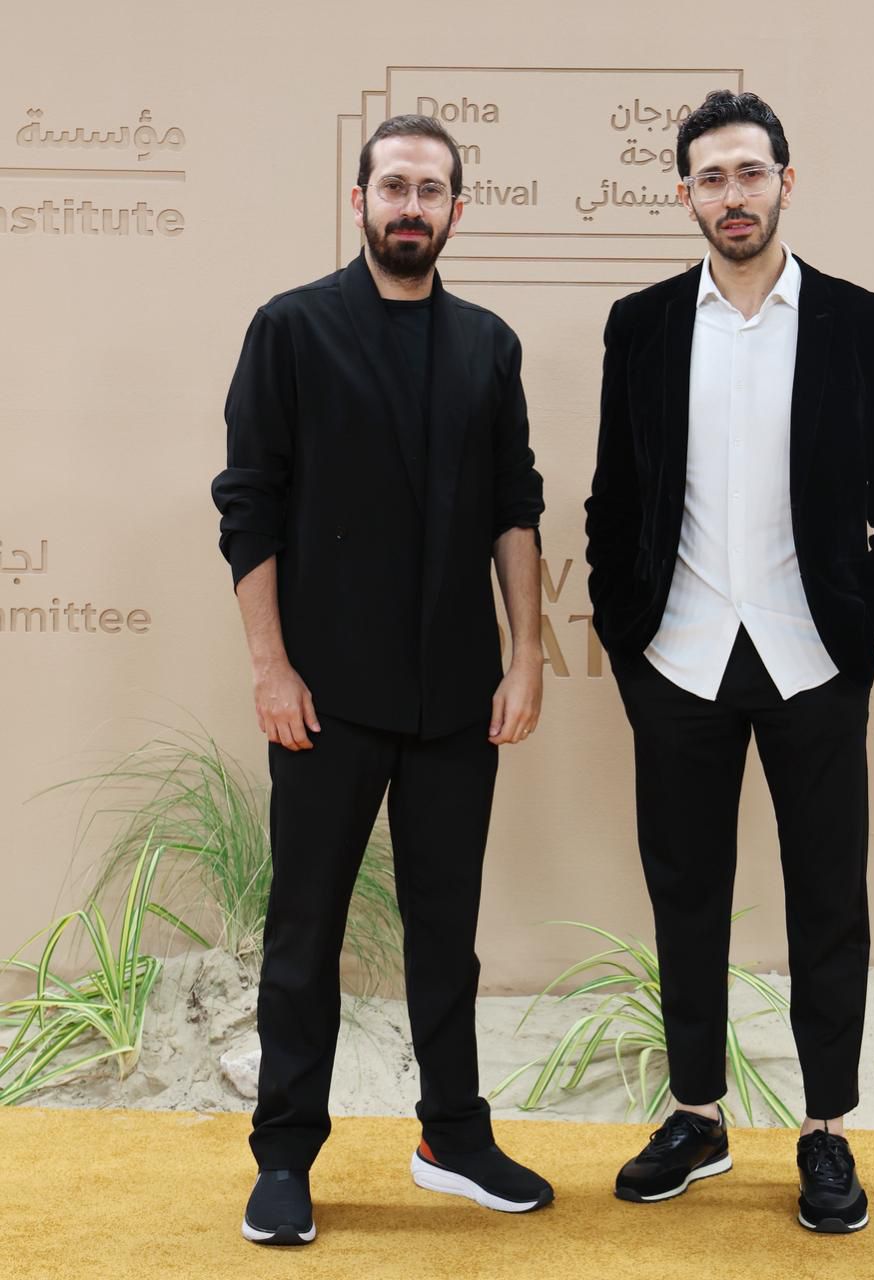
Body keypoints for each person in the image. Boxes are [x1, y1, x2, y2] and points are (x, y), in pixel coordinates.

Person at [584, 89, 874, 1233]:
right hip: (678, 658)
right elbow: (613, 500)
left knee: (828, 898)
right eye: (711, 177)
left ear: (787, 180)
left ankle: (826, 1128)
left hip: (812, 658)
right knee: (685, 892)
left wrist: (869, 637)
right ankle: (696, 1114)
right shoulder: (640, 325)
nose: (731, 195)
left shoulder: (859, 323)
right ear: (685, 193)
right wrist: (628, 637)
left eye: (749, 172)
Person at [212, 113, 552, 1246]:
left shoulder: (488, 345)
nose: (412, 205)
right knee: (304, 932)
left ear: (457, 208)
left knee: (446, 931)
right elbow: (248, 504)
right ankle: (284, 1158)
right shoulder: (291, 328)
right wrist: (271, 667)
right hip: (324, 697)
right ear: (359, 200)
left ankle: (453, 1137)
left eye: (431, 189)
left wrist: (524, 655)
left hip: (457, 696)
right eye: (394, 186)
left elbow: (514, 504)